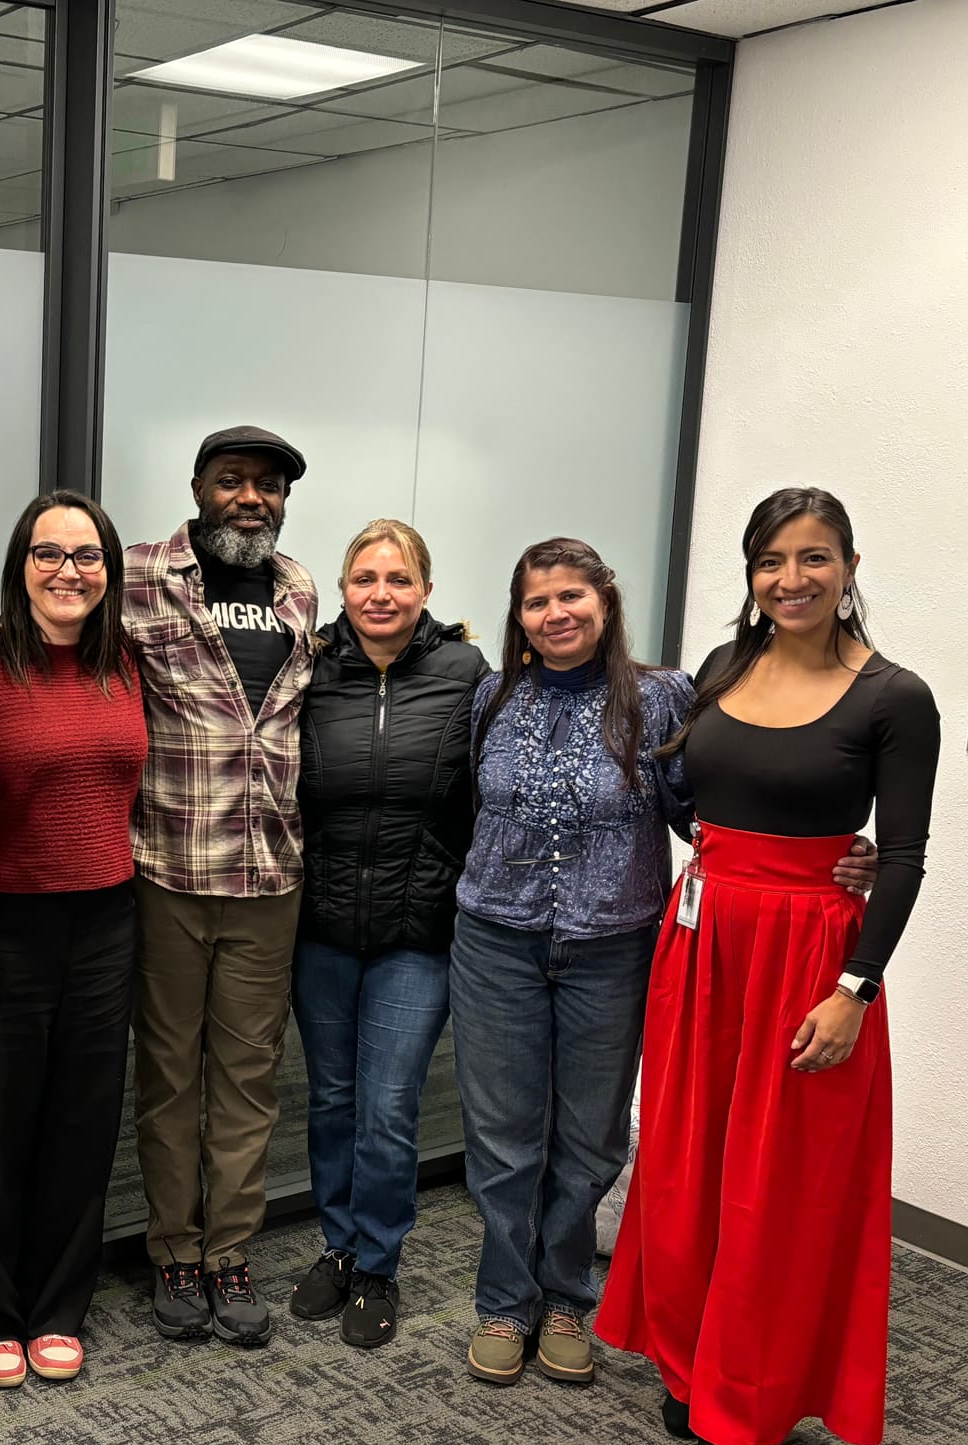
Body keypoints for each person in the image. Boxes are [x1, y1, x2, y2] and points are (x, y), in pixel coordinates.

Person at [449, 537, 874, 1390]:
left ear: (605, 604)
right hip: (495, 940)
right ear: (519, 617)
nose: (556, 613)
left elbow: (704, 808)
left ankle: (566, 1296)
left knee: (590, 1136)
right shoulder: (491, 695)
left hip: (615, 944)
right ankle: (504, 1300)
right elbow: (469, 804)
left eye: (573, 596)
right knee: (502, 1138)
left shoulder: (660, 696)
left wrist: (830, 849)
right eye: (537, 602)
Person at [596, 489, 938, 1445]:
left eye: (812, 558)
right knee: (686, 1158)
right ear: (749, 575)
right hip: (702, 944)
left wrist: (853, 989)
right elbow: (697, 802)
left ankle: (747, 1396)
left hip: (806, 964)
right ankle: (685, 1358)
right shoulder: (721, 666)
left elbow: (905, 857)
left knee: (776, 1186)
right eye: (769, 561)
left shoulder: (891, 697)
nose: (790, 580)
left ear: (848, 566)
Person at [0, 491, 148, 1389]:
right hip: (0, 922)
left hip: (106, 917)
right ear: (20, 562)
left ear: (110, 571)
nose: (69, 571)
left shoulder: (125, 661)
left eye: (88, 556)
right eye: (50, 553)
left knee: (83, 1119)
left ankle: (59, 1305)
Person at [122, 425, 320, 1346]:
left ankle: (229, 1253)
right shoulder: (135, 576)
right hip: (168, 867)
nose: (252, 498)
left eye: (268, 486)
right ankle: (173, 1248)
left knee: (248, 1080)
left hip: (270, 876)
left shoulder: (299, 590)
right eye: (233, 481)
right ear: (198, 486)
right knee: (168, 1076)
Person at [286, 520, 487, 1346]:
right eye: (365, 579)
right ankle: (337, 1246)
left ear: (427, 592)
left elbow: (495, 790)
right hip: (321, 927)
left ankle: (379, 1262)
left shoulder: (465, 673)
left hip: (417, 931)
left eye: (398, 580)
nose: (381, 594)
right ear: (343, 590)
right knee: (331, 1099)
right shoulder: (313, 669)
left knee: (390, 1105)